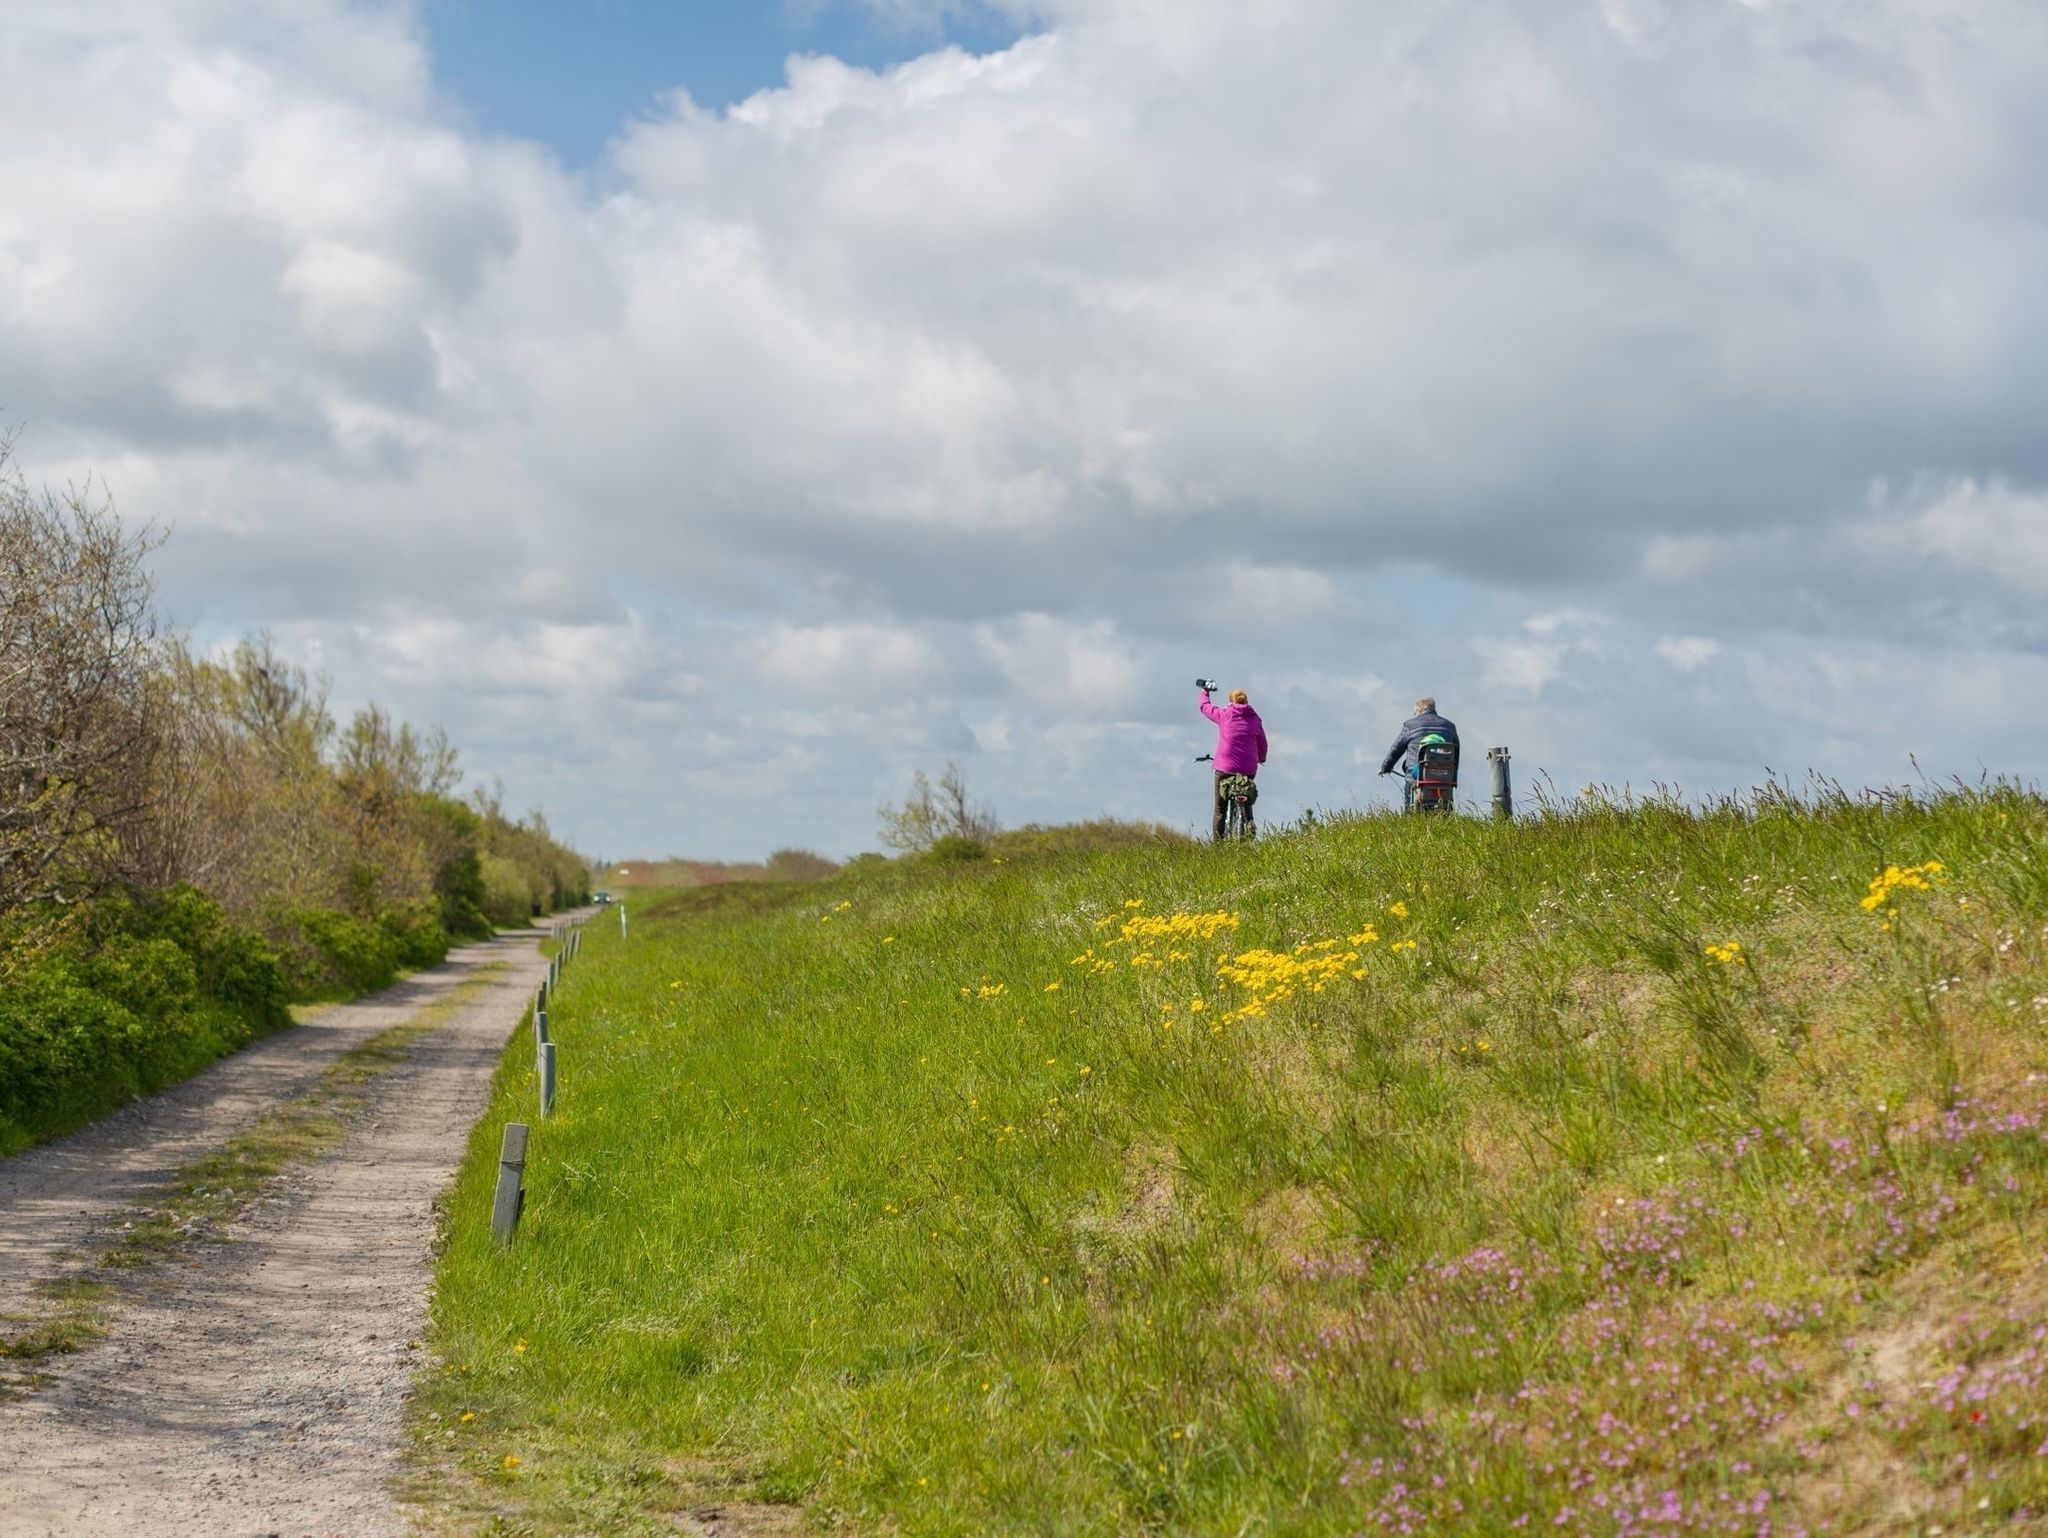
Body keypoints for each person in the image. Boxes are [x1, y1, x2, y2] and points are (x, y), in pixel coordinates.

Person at [1199, 681, 1268, 840]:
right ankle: (1249, 828)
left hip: (1225, 768)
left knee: (1220, 810)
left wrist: (1205, 691)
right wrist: (1261, 758)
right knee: (1247, 803)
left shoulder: (1225, 714)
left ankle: (1218, 848)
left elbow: (1205, 707)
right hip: (1248, 769)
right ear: (1246, 702)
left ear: (1231, 702)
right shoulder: (1256, 719)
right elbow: (1263, 744)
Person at [1378, 696, 1459, 807]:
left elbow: (1396, 749)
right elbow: (1456, 753)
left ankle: (1410, 813)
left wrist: (1386, 767)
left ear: (1419, 711)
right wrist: (1453, 777)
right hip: (1444, 778)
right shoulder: (1449, 726)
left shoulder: (1410, 725)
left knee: (1407, 767)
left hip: (1416, 779)